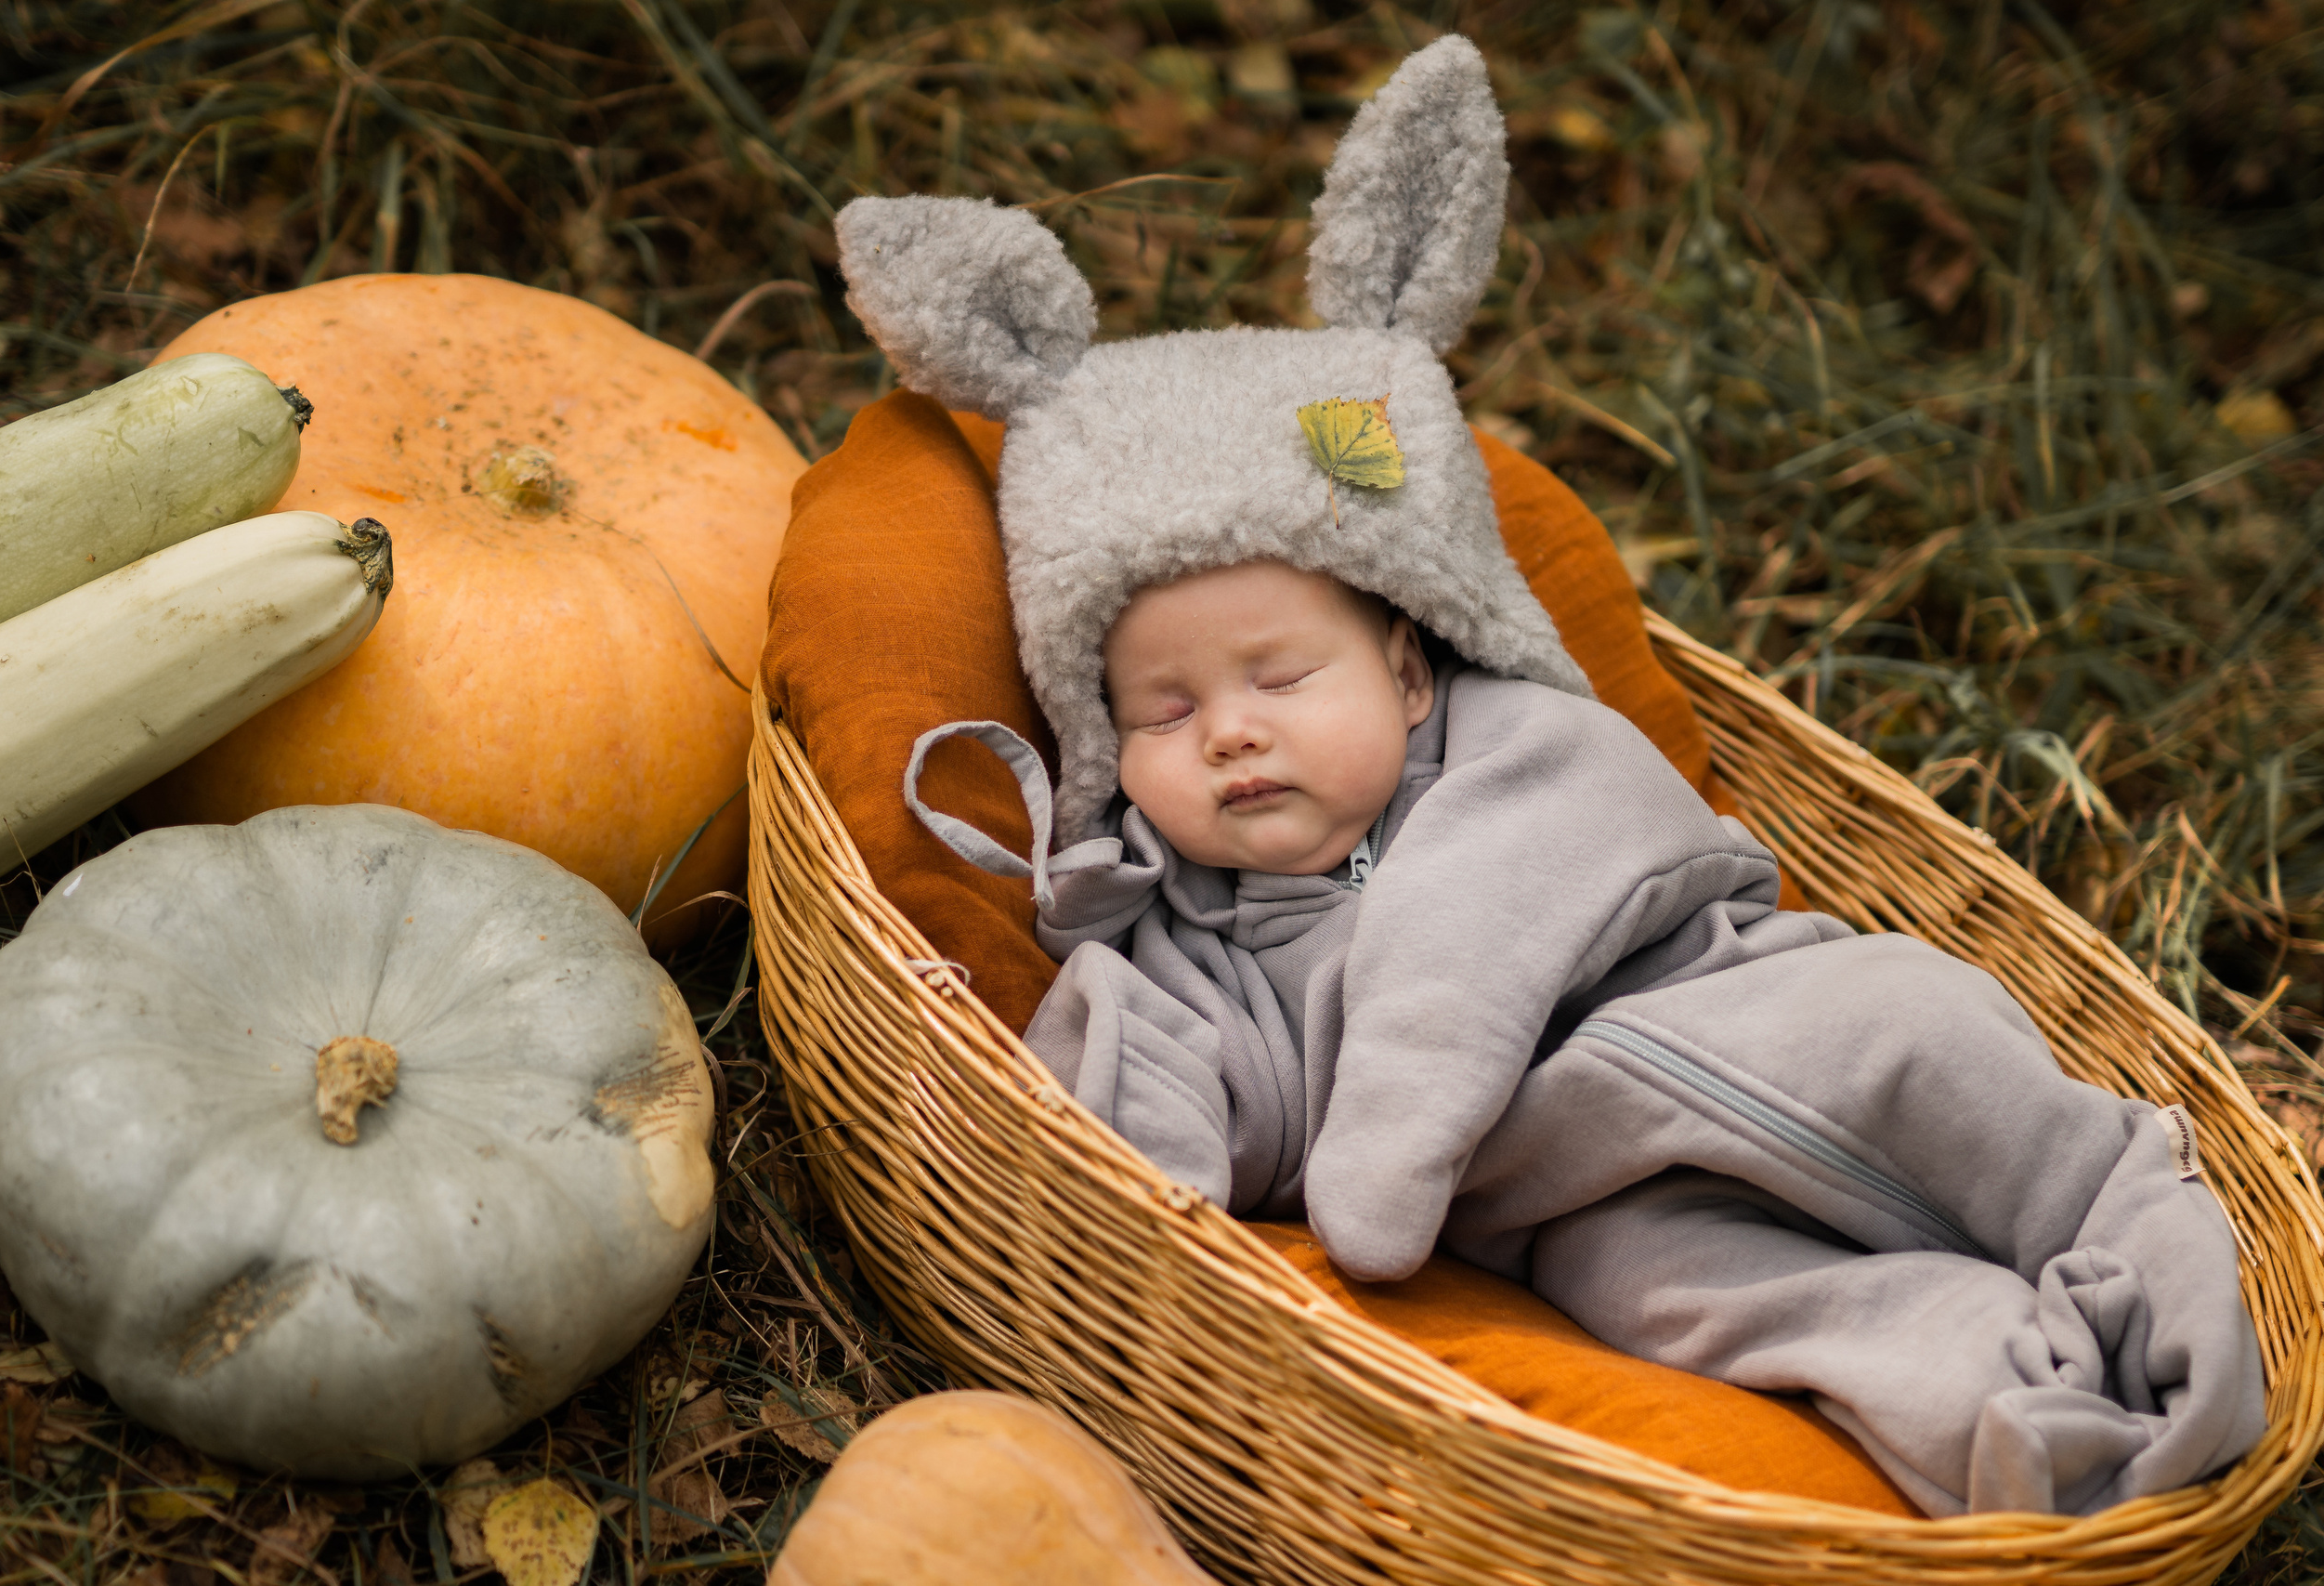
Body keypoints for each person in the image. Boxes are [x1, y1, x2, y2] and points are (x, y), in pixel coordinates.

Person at [835, 34, 2267, 1517]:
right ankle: (2016, 1411)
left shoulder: (1516, 744)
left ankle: (2123, 1227)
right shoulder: (1193, 940)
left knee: (1916, 1037)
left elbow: (1492, 917)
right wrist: (1141, 1140)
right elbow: (1198, 1118)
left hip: (1741, 1011)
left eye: (1281, 678)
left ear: (1408, 669)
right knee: (1698, 1305)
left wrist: (1389, 1128)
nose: (1230, 733)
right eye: (1163, 710)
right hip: (1582, 1198)